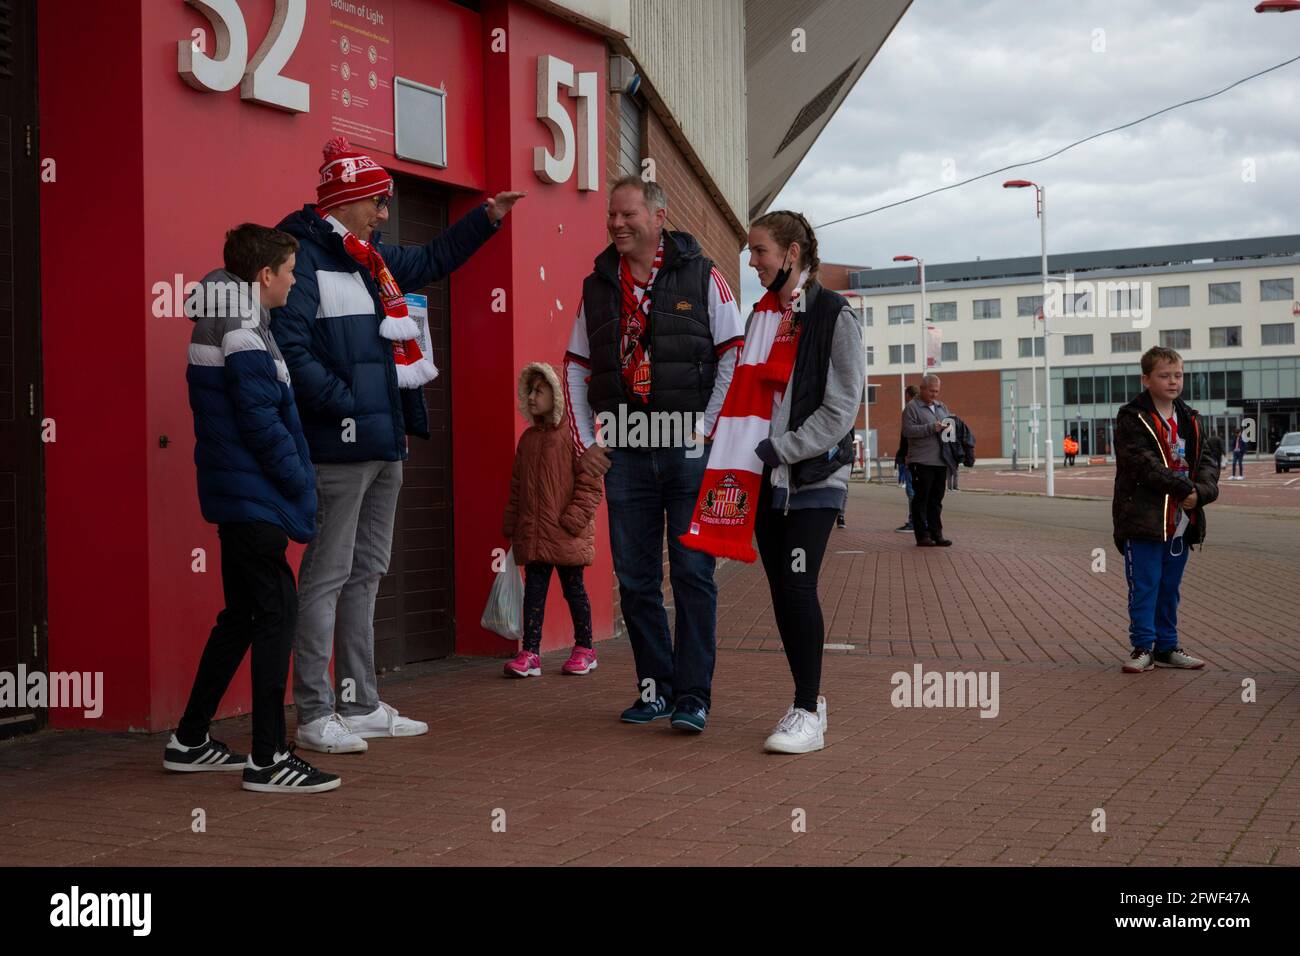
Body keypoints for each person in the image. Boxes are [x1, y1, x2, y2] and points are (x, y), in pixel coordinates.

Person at [274, 137, 523, 753]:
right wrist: (348, 405)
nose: (386, 213)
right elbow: (291, 348)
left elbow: (435, 258)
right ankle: (313, 710)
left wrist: (486, 219)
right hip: (340, 447)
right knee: (327, 577)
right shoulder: (303, 257)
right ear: (348, 200)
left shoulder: (372, 259)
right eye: (378, 202)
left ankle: (358, 702)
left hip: (386, 444)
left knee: (366, 574)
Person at [564, 176, 744, 733]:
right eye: (611, 216)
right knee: (637, 580)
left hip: (688, 453)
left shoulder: (703, 274)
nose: (617, 224)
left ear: (659, 216)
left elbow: (732, 354)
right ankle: (654, 689)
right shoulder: (597, 284)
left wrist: (708, 432)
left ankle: (693, 697)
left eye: (628, 215)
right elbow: (574, 366)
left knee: (692, 574)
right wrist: (586, 444)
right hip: (627, 456)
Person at [681, 210, 862, 754]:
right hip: (764, 479)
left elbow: (842, 406)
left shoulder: (833, 315)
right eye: (750, 252)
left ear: (792, 254)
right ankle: (809, 702)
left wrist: (781, 448)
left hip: (812, 475)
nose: (752, 262)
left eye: (759, 251)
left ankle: (807, 709)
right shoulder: (760, 317)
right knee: (784, 591)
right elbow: (741, 394)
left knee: (799, 584)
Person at [168, 223, 340, 794]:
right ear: (264, 275)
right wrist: (299, 482)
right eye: (290, 271)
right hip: (255, 498)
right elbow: (259, 418)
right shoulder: (242, 323)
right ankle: (267, 758)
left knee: (242, 615)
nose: (294, 281)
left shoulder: (233, 313)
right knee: (275, 615)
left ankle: (191, 739)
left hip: (238, 495)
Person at [1113, 346, 1219, 673]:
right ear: (1146, 379)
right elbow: (1141, 464)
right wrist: (1183, 489)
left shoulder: (1191, 418)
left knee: (1170, 587)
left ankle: (1167, 647)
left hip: (1182, 521)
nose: (1173, 382)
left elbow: (1208, 462)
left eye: (1178, 375)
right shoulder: (1132, 418)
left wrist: (1199, 493)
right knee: (1146, 584)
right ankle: (1143, 646)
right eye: (1164, 375)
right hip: (1143, 520)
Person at [501, 363, 603, 677]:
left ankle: (585, 648)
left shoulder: (573, 436)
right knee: (534, 592)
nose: (531, 397)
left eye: (539, 391)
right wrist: (512, 523)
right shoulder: (528, 440)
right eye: (529, 391)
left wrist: (572, 521)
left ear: (556, 396)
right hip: (534, 533)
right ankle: (530, 653)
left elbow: (591, 483)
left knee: (573, 589)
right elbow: (517, 486)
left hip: (565, 532)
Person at [902, 374, 953, 547]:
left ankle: (936, 533)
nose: (934, 394)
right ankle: (922, 536)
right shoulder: (911, 408)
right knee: (921, 499)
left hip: (941, 461)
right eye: (931, 391)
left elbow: (948, 428)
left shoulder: (942, 406)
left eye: (937, 391)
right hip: (921, 461)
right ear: (922, 388)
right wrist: (933, 427)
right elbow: (908, 431)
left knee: (936, 500)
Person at [895, 384, 921, 534]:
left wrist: (905, 455)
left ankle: (914, 521)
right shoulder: (919, 410)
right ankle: (917, 520)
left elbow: (907, 436)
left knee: (912, 491)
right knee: (915, 491)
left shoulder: (910, 410)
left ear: (908, 395)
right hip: (913, 456)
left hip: (910, 457)